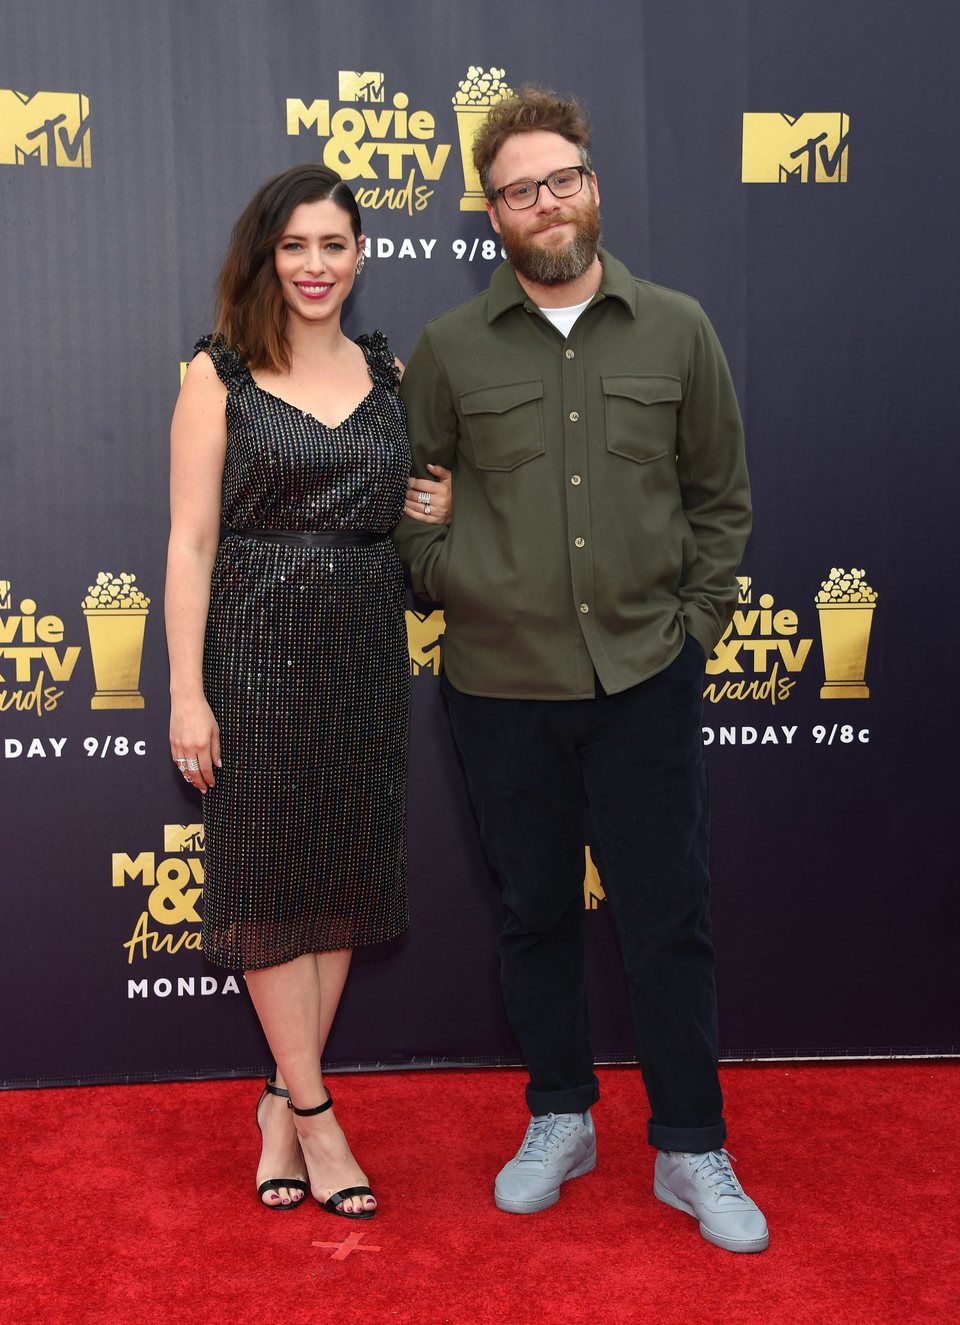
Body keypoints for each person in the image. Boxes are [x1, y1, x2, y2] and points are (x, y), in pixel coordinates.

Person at [392, 88, 768, 1253]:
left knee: (669, 917)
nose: (543, 203)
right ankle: (560, 1113)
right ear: (492, 215)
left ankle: (690, 1141)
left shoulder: (678, 327)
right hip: (500, 688)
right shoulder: (451, 351)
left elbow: (721, 498)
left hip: (646, 677)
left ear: (593, 189)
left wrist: (692, 626)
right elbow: (410, 517)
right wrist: (458, 572)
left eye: (561, 180)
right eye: (517, 190)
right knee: (536, 912)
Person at [165, 163, 450, 1219]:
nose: (315, 265)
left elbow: (426, 495)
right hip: (253, 645)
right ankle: (321, 1113)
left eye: (334, 244)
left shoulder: (393, 372)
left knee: (334, 876)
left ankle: (278, 1105)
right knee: (274, 877)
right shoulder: (218, 373)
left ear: (362, 253)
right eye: (295, 246)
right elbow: (191, 542)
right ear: (266, 256)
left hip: (365, 650)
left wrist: (445, 489)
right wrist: (186, 692)